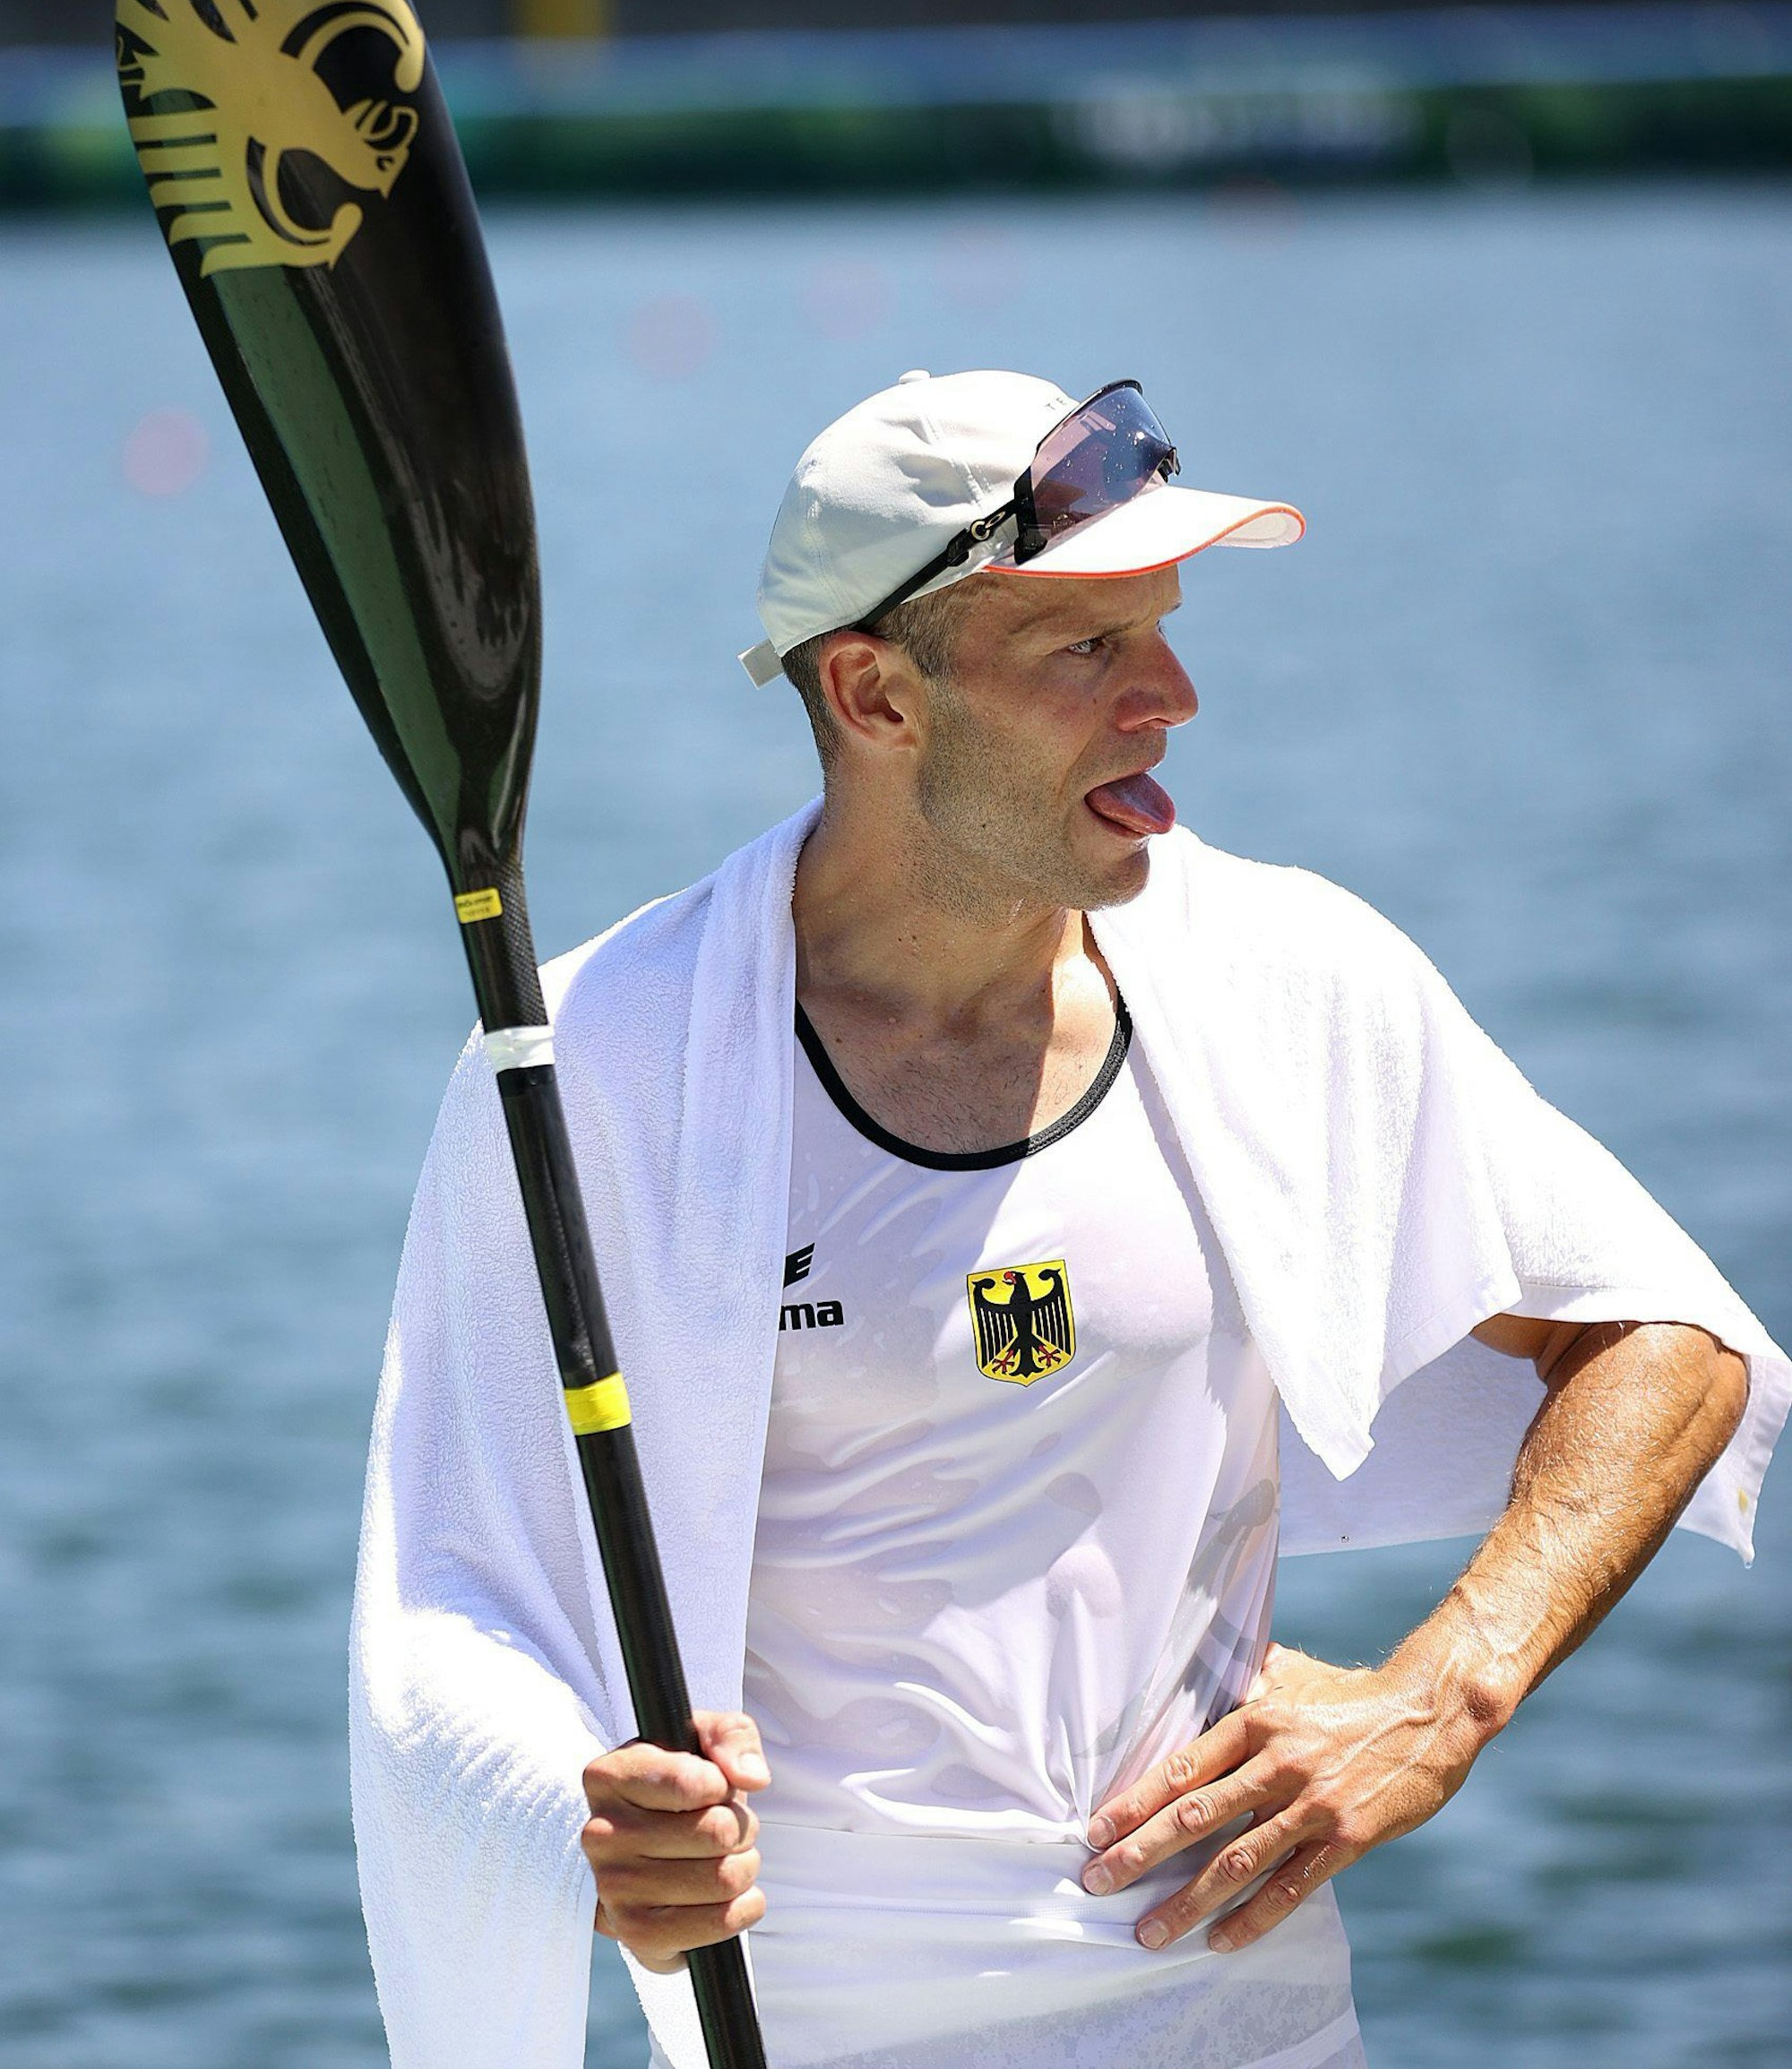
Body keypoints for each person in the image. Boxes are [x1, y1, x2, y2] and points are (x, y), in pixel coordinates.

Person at [349, 370, 1788, 2069]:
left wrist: (1445, 1688)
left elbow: (1671, 1340)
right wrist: (583, 1820)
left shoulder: (1291, 973)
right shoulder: (594, 1058)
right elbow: (453, 1596)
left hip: (1253, 2027)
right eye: (1085, 651)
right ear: (876, 693)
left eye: (1161, 631)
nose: (1171, 697)